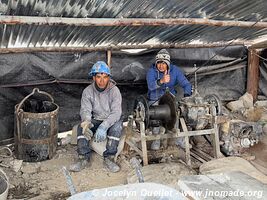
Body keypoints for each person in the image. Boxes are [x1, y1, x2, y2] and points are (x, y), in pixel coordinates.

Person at [70, 61, 123, 173]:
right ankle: (83, 158)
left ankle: (109, 158)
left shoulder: (115, 91)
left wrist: (104, 126)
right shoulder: (87, 91)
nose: (102, 80)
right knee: (81, 127)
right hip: (96, 119)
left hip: (111, 120)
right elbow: (85, 110)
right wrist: (87, 122)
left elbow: (116, 112)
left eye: (105, 77)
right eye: (98, 77)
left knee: (117, 127)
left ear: (108, 77)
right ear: (93, 77)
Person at [146, 49, 192, 150]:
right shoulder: (151, 71)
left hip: (169, 99)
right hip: (155, 99)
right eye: (159, 63)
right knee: (155, 118)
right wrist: (161, 81)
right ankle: (156, 139)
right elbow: (150, 86)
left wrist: (187, 96)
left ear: (168, 63)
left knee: (175, 114)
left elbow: (186, 84)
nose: (161, 66)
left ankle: (177, 139)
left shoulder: (174, 70)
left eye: (163, 63)